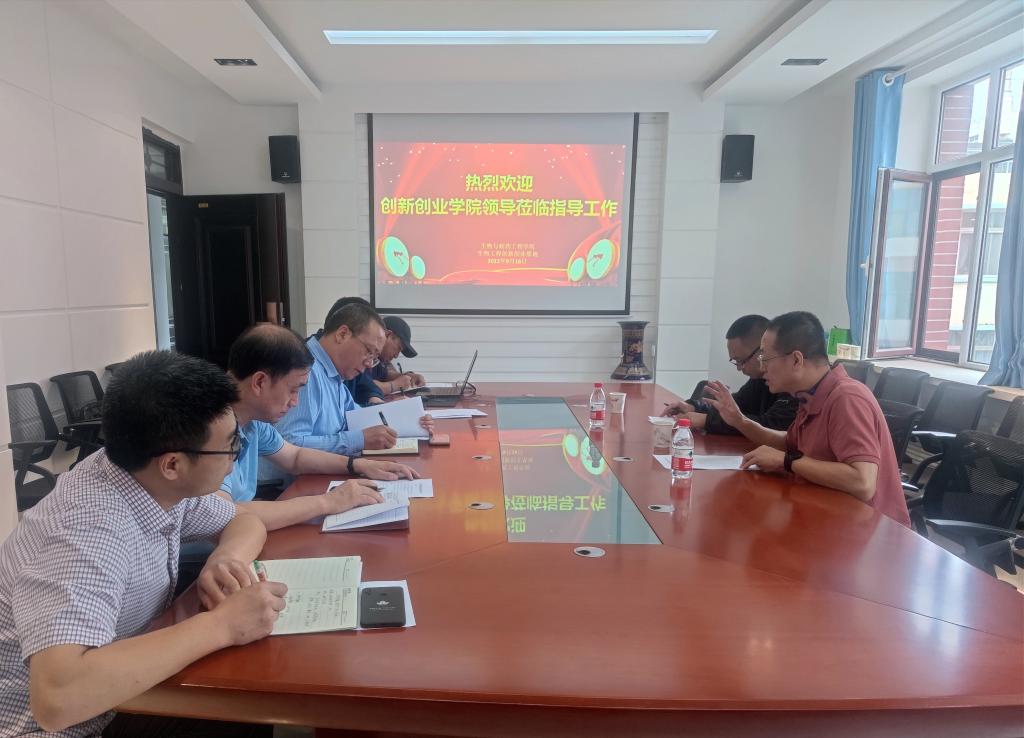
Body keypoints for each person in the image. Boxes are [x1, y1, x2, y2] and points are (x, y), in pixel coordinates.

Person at [0, 351, 286, 737]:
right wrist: (222, 625)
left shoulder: (147, 479)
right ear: (173, 464)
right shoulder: (88, 531)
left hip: (121, 695)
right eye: (230, 447)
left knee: (247, 701)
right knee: (246, 701)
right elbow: (57, 699)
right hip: (67, 726)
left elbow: (244, 521)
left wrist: (225, 559)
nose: (235, 459)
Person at [712, 311, 910, 526]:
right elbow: (790, 443)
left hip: (868, 530)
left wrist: (786, 461)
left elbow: (862, 482)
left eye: (765, 359)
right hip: (830, 516)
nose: (762, 368)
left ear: (796, 360)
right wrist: (740, 421)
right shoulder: (810, 394)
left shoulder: (846, 398)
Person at [222, 323, 421, 531]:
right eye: (293, 390)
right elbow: (225, 515)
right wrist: (328, 502)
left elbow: (295, 456)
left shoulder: (254, 422)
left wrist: (359, 465)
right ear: (260, 382)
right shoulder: (213, 429)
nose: (295, 402)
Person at [276, 302, 434, 454]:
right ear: (342, 334)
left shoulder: (334, 374)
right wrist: (359, 440)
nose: (370, 364)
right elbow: (288, 445)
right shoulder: (306, 371)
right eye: (369, 352)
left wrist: (409, 418)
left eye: (374, 357)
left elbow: (356, 417)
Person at [662, 314, 797, 435]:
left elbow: (772, 427)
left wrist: (707, 420)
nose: (739, 368)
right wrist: (695, 407)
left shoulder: (795, 388)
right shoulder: (759, 379)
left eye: (741, 361)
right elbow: (734, 409)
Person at [369, 316, 426, 398]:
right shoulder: (364, 355)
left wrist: (408, 376)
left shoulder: (379, 360)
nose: (396, 356)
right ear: (388, 335)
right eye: (398, 348)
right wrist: (394, 385)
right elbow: (363, 386)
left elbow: (386, 374)